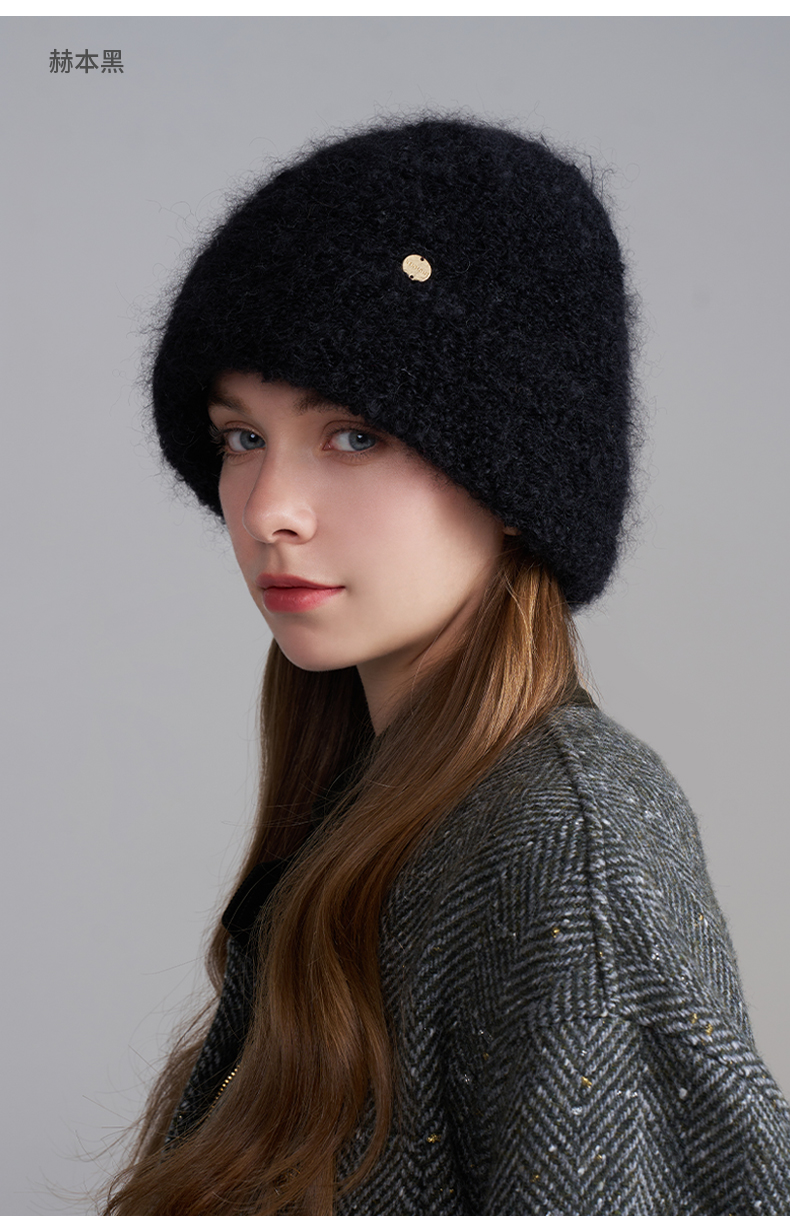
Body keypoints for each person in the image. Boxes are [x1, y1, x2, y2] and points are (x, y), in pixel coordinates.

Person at [105, 116, 790, 1215]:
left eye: (354, 435)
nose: (269, 510)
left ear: (517, 484)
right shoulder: (376, 810)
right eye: (243, 437)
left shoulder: (564, 850)